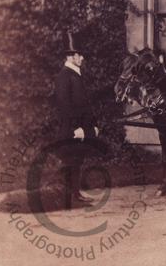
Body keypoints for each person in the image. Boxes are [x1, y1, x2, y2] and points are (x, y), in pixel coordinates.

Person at [54, 32, 98, 204]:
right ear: (71, 56)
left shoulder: (76, 75)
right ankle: (69, 195)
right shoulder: (64, 76)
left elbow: (84, 104)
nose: (82, 58)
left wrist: (92, 125)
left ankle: (75, 193)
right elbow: (64, 106)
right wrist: (75, 128)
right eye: (79, 54)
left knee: (77, 160)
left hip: (81, 128)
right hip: (71, 129)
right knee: (71, 160)